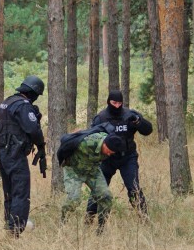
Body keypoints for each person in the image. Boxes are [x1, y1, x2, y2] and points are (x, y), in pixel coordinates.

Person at [86, 90, 153, 221]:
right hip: (107, 159)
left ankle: (144, 218)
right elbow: (90, 138)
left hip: (128, 157)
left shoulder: (130, 115)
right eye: (114, 103)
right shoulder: (101, 118)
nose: (117, 106)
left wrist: (138, 122)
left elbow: (148, 130)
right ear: (108, 102)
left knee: (134, 188)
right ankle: (88, 219)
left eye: (119, 103)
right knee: (98, 189)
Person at [0, 75, 46, 237]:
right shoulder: (23, 106)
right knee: (20, 192)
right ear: (34, 93)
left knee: (9, 191)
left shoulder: (7, 102)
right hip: (15, 154)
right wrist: (40, 144)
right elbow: (32, 130)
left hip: (3, 152)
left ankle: (8, 223)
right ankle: (15, 229)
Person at [61, 131, 125, 234]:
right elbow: (68, 140)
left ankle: (101, 229)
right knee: (74, 199)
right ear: (104, 144)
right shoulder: (86, 142)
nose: (109, 154)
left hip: (92, 171)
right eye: (108, 151)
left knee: (106, 196)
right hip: (74, 170)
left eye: (111, 153)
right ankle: (62, 224)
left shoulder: (110, 145)